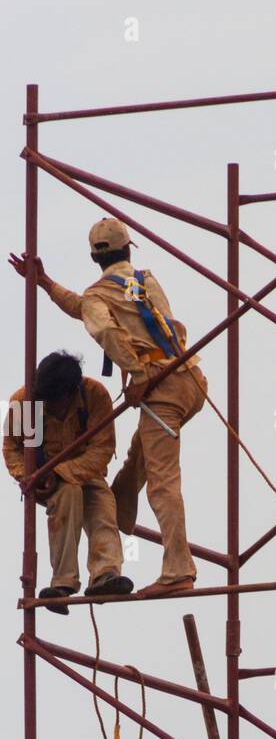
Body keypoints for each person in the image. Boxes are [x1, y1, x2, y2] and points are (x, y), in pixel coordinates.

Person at [9, 217, 208, 597]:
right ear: (128, 249)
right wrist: (46, 284)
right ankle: (109, 520)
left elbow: (102, 327)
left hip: (160, 389)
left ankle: (176, 570)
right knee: (139, 458)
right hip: (189, 380)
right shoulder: (142, 282)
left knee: (161, 485)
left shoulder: (92, 396)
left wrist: (137, 375)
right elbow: (90, 308)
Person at [3, 350, 133, 615]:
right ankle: (63, 582)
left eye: (55, 401)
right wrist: (27, 476)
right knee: (68, 496)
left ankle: (105, 574)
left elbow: (101, 449)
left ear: (72, 391)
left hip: (88, 472)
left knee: (104, 507)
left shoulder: (93, 396)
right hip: (45, 481)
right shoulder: (27, 403)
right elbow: (12, 449)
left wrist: (62, 471)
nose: (49, 406)